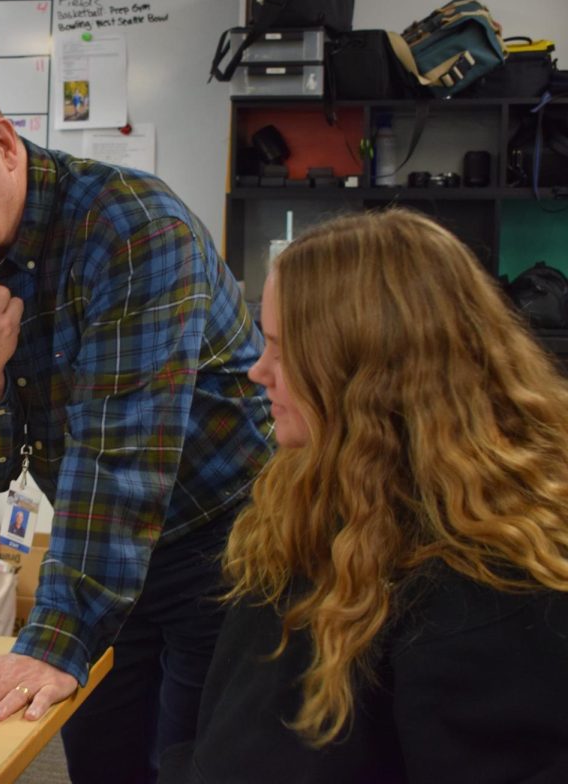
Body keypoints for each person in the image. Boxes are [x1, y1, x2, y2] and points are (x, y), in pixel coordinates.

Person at [0, 58, 273, 781]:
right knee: (100, 757)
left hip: (227, 539)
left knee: (196, 761)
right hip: (103, 547)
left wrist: (52, 638)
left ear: (6, 146)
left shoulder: (134, 230)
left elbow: (122, 460)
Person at [160, 209, 568, 782]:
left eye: (281, 348)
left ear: (363, 374)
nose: (259, 371)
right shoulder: (310, 493)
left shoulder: (484, 594)